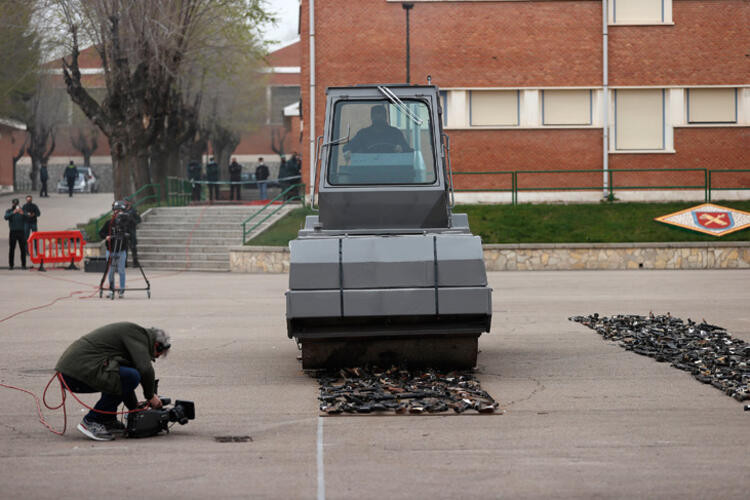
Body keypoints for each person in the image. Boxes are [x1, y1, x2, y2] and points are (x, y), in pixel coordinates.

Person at [55, 322, 170, 441]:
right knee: (131, 376)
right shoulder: (138, 337)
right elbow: (145, 369)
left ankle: (107, 419)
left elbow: (122, 380)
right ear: (157, 345)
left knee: (121, 374)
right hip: (74, 374)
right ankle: (92, 420)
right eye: (156, 355)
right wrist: (151, 396)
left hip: (74, 372)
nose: (153, 358)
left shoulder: (136, 337)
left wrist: (134, 408)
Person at [343, 105, 411, 155]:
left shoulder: (396, 133)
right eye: (376, 115)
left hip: (393, 172)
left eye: (381, 115)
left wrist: (401, 148)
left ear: (385, 117)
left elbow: (408, 150)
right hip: (365, 172)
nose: (379, 117)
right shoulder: (363, 134)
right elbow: (347, 147)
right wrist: (348, 151)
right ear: (371, 117)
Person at [99, 200, 129, 298]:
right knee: (111, 271)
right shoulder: (109, 223)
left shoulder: (125, 223)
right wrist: (106, 237)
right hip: (111, 250)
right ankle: (111, 290)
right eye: (117, 211)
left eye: (120, 211)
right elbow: (101, 233)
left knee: (121, 270)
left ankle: (122, 290)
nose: (119, 213)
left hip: (121, 250)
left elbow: (131, 232)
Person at [5, 198, 27, 270]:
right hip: (13, 232)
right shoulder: (9, 211)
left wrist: (22, 213)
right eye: (14, 204)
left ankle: (23, 265)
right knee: (12, 249)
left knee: (23, 249)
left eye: (17, 204)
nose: (15, 205)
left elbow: (28, 217)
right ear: (12, 204)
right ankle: (11, 265)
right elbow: (5, 217)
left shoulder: (22, 210)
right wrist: (13, 212)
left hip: (21, 232)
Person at [22, 195, 41, 261]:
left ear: (31, 200)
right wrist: (26, 214)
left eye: (29, 200)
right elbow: (22, 213)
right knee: (26, 238)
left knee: (35, 237)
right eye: (27, 200)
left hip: (33, 223)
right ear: (26, 200)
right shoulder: (24, 206)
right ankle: (26, 251)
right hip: (26, 223)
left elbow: (39, 213)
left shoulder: (34, 206)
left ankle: (36, 251)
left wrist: (34, 214)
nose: (29, 201)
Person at [123, 199, 141, 265]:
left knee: (133, 247)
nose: (125, 203)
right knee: (124, 248)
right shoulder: (123, 210)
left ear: (129, 202)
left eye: (126, 202)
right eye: (124, 202)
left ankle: (135, 262)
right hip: (125, 230)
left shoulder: (134, 211)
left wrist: (132, 220)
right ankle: (124, 263)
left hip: (132, 230)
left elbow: (139, 220)